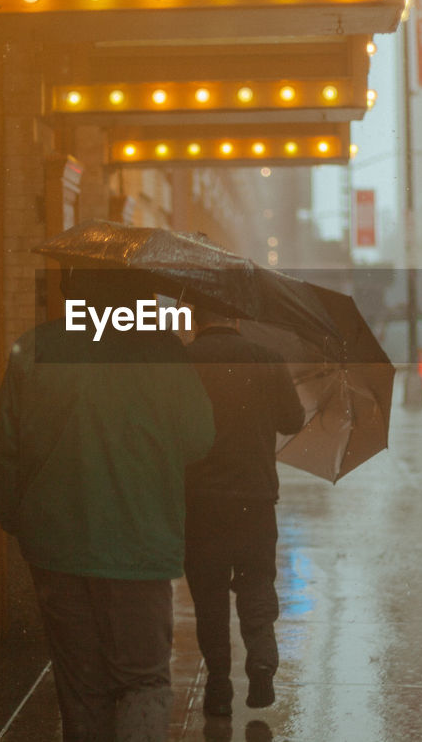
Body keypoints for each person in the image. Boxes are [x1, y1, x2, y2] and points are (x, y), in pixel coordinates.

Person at [0, 268, 216, 741]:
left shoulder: (36, 347)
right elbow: (199, 438)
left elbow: (3, 446)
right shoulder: (163, 352)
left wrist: (19, 520)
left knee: (80, 684)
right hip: (141, 546)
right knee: (142, 678)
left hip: (56, 547)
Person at [183, 307, 306, 716]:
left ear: (194, 315)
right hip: (255, 497)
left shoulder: (184, 361)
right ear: (236, 318)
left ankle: (218, 681)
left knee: (209, 594)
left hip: (200, 500)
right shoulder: (266, 358)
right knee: (256, 582)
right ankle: (263, 658)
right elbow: (292, 419)